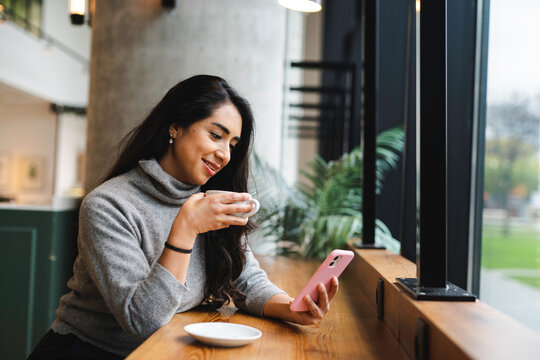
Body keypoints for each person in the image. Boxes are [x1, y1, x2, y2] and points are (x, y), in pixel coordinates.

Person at [28, 75, 339, 359]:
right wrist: (186, 227)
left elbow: (245, 278)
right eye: (216, 135)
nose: (225, 154)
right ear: (174, 127)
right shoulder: (108, 205)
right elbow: (142, 320)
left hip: (163, 350)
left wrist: (291, 308)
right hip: (89, 351)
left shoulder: (209, 200)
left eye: (232, 144)